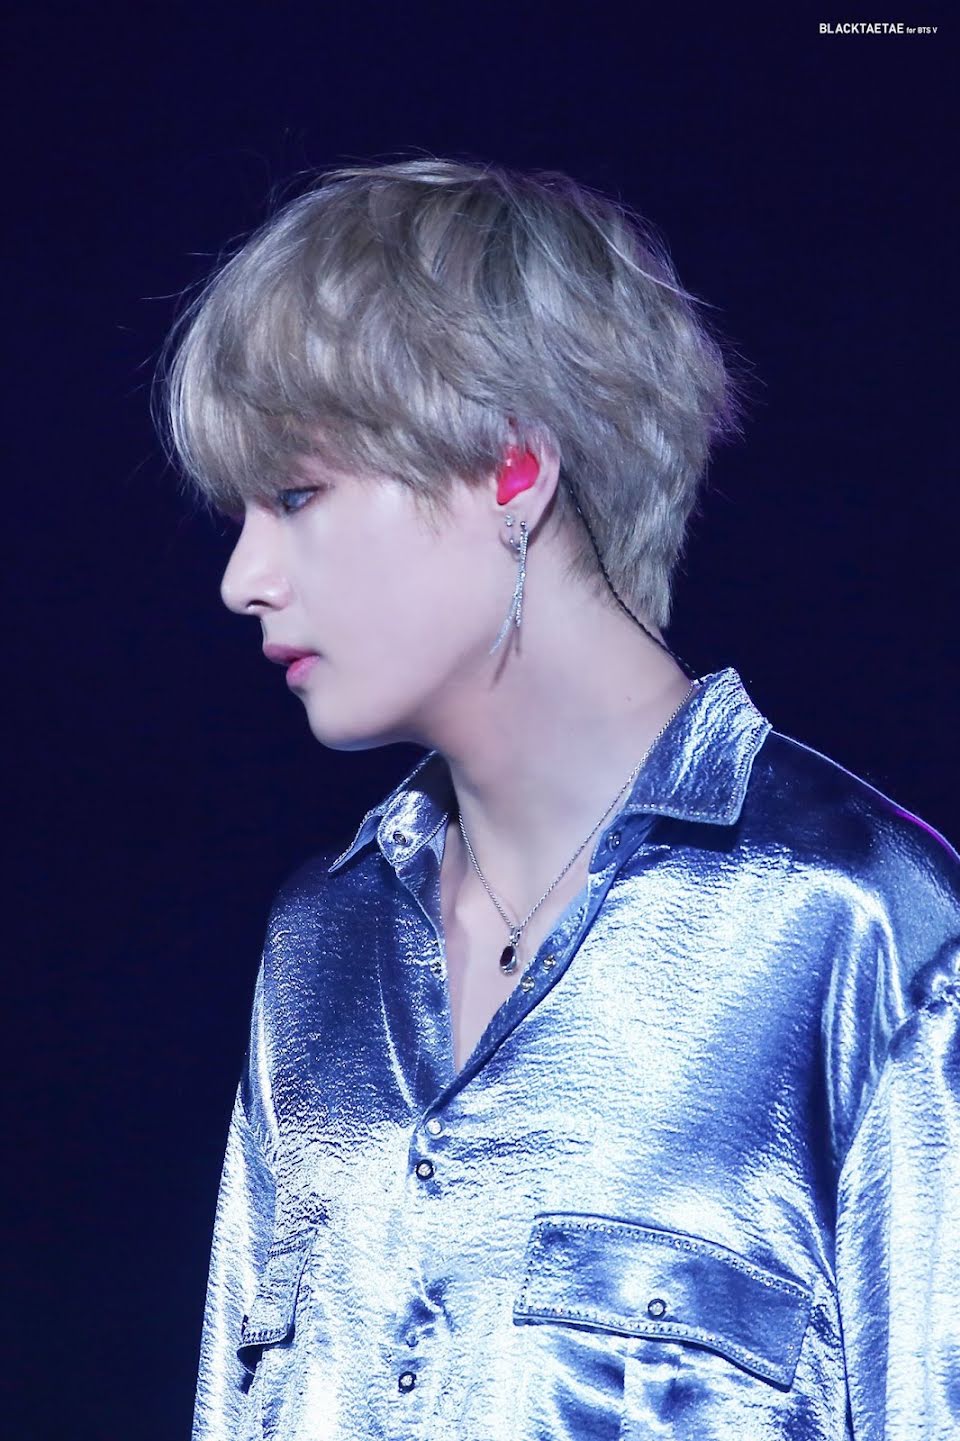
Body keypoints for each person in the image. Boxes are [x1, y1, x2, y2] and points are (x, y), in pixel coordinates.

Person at [157, 157, 960, 1441]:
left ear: (511, 464)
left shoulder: (859, 929)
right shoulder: (321, 945)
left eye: (297, 494)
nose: (242, 576)